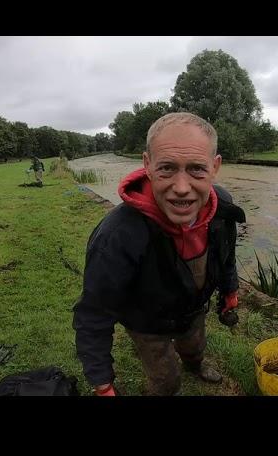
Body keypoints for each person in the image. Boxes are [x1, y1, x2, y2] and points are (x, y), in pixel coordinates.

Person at [72, 112, 245, 396]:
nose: (181, 188)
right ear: (147, 165)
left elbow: (226, 256)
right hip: (147, 323)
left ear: (215, 167)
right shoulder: (117, 235)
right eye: (166, 168)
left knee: (195, 346)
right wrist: (102, 383)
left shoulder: (222, 205)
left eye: (197, 169)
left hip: (193, 309)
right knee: (165, 381)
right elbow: (93, 314)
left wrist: (230, 291)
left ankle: (195, 364)